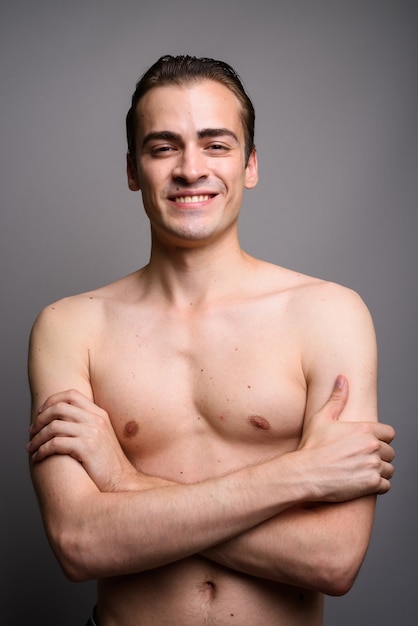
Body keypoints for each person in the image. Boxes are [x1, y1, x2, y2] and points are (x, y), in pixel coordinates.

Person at [27, 55, 395, 626]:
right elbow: (79, 544)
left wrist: (122, 481)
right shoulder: (71, 327)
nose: (190, 169)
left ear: (250, 164)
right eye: (163, 147)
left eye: (216, 145)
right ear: (133, 170)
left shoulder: (328, 315)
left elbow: (333, 560)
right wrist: (295, 476)